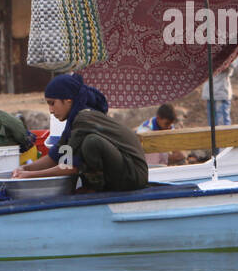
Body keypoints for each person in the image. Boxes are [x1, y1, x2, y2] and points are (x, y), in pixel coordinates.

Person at [14, 74, 149, 192]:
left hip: (134, 175)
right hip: (127, 171)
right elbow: (56, 155)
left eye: (52, 103)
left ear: (68, 101)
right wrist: (26, 168)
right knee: (87, 143)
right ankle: (94, 187)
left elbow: (69, 166)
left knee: (91, 143)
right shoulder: (75, 119)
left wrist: (30, 176)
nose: (50, 110)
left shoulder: (84, 119)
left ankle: (95, 188)